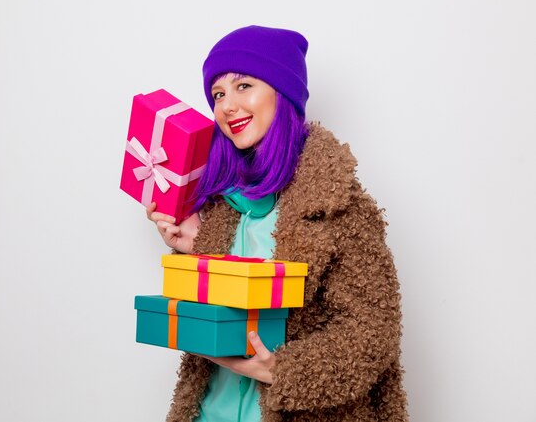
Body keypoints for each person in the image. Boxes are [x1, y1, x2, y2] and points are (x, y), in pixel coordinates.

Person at [146, 25, 408, 422]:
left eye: (243, 85)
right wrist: (194, 247)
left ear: (282, 93)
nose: (226, 106)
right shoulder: (222, 204)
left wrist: (280, 371)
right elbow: (214, 319)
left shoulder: (339, 207)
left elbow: (373, 331)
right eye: (218, 94)